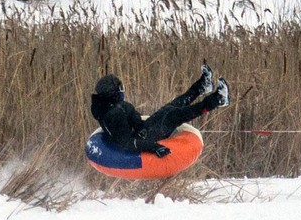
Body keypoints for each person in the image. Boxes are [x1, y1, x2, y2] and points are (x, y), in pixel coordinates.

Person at [90, 65, 229, 156]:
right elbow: (126, 143)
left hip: (143, 132)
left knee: (171, 107)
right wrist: (154, 147)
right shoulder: (113, 114)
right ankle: (218, 100)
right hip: (143, 141)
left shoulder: (114, 106)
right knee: (174, 115)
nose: (122, 91)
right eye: (119, 88)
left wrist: (140, 127)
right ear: (112, 93)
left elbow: (133, 119)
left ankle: (201, 87)